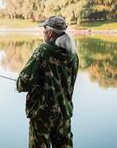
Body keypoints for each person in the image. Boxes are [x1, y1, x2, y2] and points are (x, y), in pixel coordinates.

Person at [16, 15, 79, 148]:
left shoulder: (43, 51)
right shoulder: (73, 55)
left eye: (44, 29)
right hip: (64, 113)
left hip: (42, 113)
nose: (43, 32)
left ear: (50, 32)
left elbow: (24, 82)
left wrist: (18, 84)